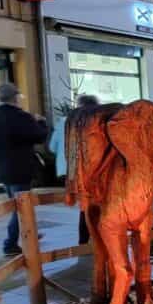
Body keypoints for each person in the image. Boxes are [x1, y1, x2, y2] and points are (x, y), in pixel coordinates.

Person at [0, 83, 48, 255]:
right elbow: (39, 136)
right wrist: (42, 123)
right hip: (21, 170)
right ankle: (9, 244)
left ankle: (29, 233)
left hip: (2, 169)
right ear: (15, 98)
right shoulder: (23, 117)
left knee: (16, 204)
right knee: (19, 207)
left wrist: (0, 150)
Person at [50, 94, 99, 245]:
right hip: (90, 170)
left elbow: (52, 147)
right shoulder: (96, 122)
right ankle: (94, 238)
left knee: (85, 205)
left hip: (68, 172)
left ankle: (84, 240)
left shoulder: (64, 122)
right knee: (93, 203)